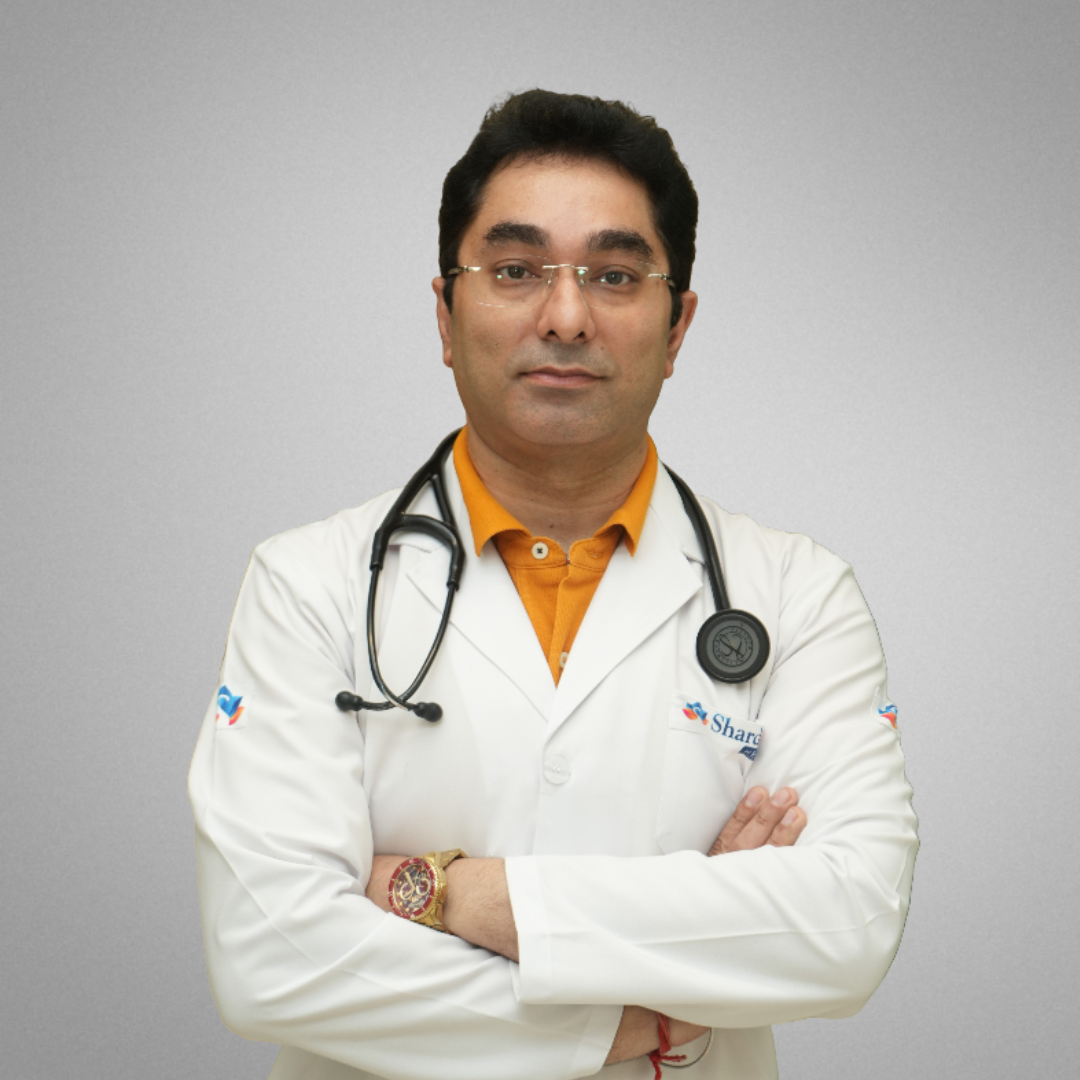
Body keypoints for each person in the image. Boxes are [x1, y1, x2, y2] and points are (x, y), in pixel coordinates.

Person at [188, 90, 917, 1080]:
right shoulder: (308, 584)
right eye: (516, 270)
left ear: (677, 326)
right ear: (446, 315)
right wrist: (631, 1000)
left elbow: (847, 926)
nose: (566, 317)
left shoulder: (798, 595)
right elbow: (270, 958)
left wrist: (450, 892)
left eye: (615, 275)